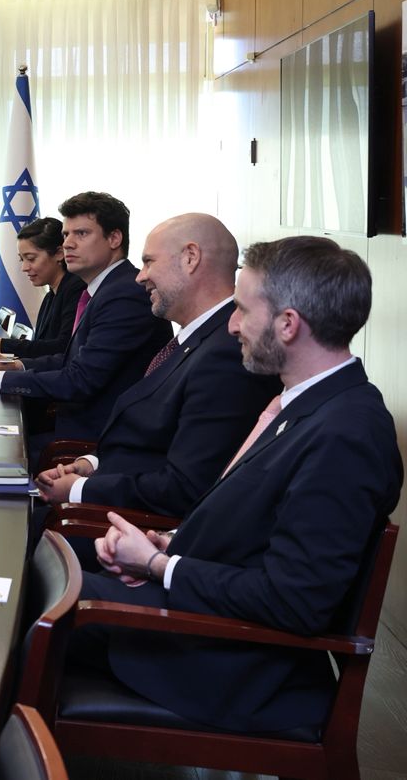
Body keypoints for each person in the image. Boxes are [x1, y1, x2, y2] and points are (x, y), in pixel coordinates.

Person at [76, 235, 400, 735]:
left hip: (232, 665)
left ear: (288, 324)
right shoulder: (309, 405)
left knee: (30, 606)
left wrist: (161, 566)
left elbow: (295, 600)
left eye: (242, 310)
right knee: (37, 581)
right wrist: (167, 544)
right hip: (206, 626)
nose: (230, 325)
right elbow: (252, 531)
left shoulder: (346, 434)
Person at [35, 214, 280, 517]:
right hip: (110, 494)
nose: (140, 276)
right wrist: (90, 464)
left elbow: (185, 487)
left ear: (190, 258)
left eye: (149, 262)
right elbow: (151, 443)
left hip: (122, 525)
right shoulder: (196, 339)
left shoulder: (227, 353)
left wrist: (79, 489)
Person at [0, 191, 172, 443]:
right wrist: (13, 365)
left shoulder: (125, 294)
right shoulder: (104, 289)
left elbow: (80, 379)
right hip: (77, 426)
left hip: (94, 442)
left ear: (114, 238)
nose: (68, 244)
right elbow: (71, 360)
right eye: (66, 235)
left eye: (81, 233)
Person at [0, 216, 85, 358]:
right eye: (22, 259)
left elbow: (63, 348)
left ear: (59, 254)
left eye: (31, 258)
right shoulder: (50, 296)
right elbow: (41, 346)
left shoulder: (77, 291)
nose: (24, 267)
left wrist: (2, 345)